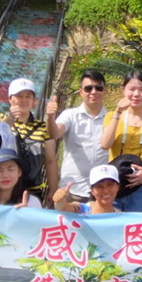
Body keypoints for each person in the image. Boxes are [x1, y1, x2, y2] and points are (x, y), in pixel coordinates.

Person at [99, 70, 142, 212]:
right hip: (114, 182)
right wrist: (118, 112)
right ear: (124, 90)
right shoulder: (111, 116)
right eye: (131, 89)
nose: (136, 94)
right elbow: (105, 144)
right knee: (112, 222)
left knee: (138, 224)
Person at [48, 69, 109, 211]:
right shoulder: (70, 115)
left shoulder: (112, 118)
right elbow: (54, 133)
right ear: (81, 92)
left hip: (102, 192)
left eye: (98, 88)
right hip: (72, 190)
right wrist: (50, 118)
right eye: (88, 88)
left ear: (105, 91)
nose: (93, 92)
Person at [0, 78, 57, 204]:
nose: (24, 100)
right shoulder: (0, 120)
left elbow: (50, 161)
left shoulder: (43, 127)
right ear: (10, 99)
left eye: (28, 96)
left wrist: (53, 189)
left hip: (33, 189)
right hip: (4, 189)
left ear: (34, 101)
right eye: (19, 96)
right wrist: (11, 119)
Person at [52, 164, 122, 214]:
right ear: (92, 191)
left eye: (110, 185)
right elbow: (63, 209)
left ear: (118, 187)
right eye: (99, 186)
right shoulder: (82, 209)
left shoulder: (122, 219)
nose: (105, 190)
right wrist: (60, 200)